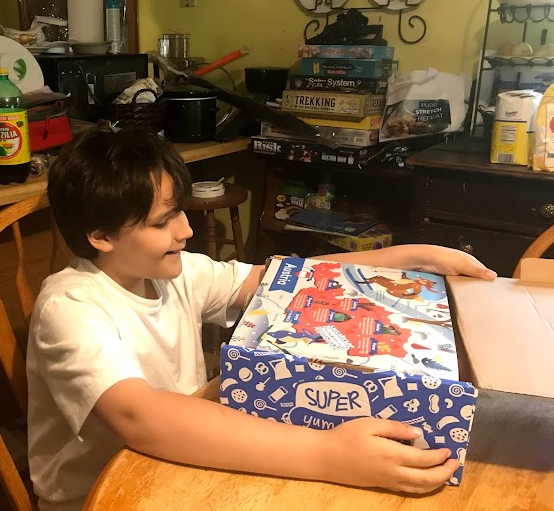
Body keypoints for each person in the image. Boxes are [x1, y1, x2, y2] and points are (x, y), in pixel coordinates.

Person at [27, 128, 496, 510]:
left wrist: (414, 256)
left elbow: (284, 281)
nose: (186, 230)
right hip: (103, 493)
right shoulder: (69, 307)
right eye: (161, 222)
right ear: (101, 236)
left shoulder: (177, 270)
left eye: (180, 212)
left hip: (183, 456)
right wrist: (330, 455)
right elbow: (140, 416)